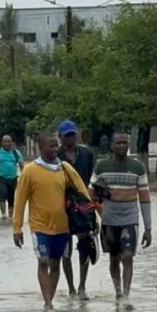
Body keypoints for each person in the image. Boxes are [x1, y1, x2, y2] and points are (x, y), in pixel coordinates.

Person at [13, 133, 91, 312]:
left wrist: (94, 217)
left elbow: (82, 192)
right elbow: (20, 201)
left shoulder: (65, 169)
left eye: (56, 146)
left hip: (63, 227)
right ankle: (48, 303)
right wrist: (16, 228)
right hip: (39, 227)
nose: (55, 150)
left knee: (55, 264)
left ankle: (51, 297)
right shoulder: (30, 171)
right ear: (41, 148)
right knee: (43, 262)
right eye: (51, 146)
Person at [90, 132, 152, 309]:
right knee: (114, 259)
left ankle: (125, 296)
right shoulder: (102, 166)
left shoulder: (138, 167)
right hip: (108, 220)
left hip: (129, 220)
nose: (122, 146)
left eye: (125, 143)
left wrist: (148, 228)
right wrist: (97, 200)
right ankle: (117, 292)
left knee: (128, 257)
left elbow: (145, 198)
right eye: (118, 143)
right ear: (112, 145)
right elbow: (90, 193)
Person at [56, 120, 97, 301]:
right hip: (61, 206)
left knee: (86, 246)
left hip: (84, 205)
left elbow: (94, 179)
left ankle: (82, 286)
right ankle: (71, 288)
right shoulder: (55, 156)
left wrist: (96, 204)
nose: (71, 138)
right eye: (67, 136)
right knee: (66, 250)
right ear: (60, 137)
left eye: (73, 134)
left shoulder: (87, 154)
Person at [0, 134, 24, 219]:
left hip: (13, 178)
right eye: (5, 142)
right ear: (2, 143)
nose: (7, 143)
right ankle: (3, 214)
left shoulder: (16, 153)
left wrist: (24, 177)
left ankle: (10, 216)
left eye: (9, 142)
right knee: (2, 193)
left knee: (11, 196)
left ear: (12, 142)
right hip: (1, 177)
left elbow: (21, 166)